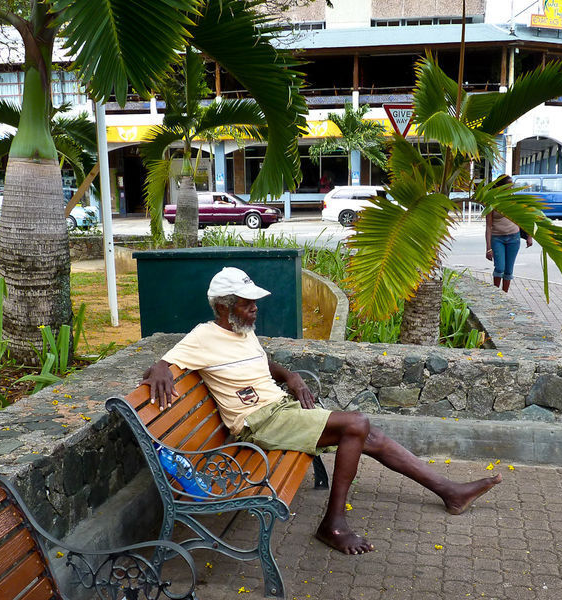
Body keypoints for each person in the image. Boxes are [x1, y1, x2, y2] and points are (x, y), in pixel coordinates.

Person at [141, 267, 501, 555]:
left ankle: (450, 492)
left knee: (367, 435)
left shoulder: (243, 331)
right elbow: (161, 365)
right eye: (246, 302)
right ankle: (333, 524)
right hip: (258, 424)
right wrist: (159, 367)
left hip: (280, 410)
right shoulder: (203, 337)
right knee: (357, 424)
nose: (255, 307)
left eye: (254, 301)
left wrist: (292, 376)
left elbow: (264, 363)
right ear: (223, 306)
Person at [485, 175, 533, 292]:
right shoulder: (492, 201)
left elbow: (524, 219)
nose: (511, 188)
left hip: (514, 238)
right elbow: (488, 226)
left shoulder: (514, 200)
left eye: (512, 186)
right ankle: (496, 295)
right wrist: (488, 248)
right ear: (500, 186)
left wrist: (529, 236)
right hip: (497, 238)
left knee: (508, 271)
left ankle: (504, 296)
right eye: (508, 186)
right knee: (499, 268)